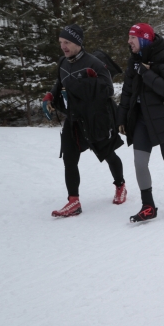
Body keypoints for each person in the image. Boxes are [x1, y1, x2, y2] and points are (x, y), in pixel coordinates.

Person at [43, 24, 127, 217]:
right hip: (73, 120)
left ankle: (120, 185)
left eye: (67, 43)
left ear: (78, 43)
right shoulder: (63, 62)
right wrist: (49, 96)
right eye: (61, 42)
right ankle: (74, 201)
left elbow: (108, 90)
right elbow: (60, 82)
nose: (63, 47)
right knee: (69, 159)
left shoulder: (94, 64)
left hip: (96, 120)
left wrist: (82, 83)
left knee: (108, 155)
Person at [117, 23, 164, 222]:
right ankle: (148, 206)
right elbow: (128, 91)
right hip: (142, 122)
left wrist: (147, 73)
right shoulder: (134, 61)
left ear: (144, 38)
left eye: (133, 38)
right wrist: (121, 117)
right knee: (139, 163)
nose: (129, 42)